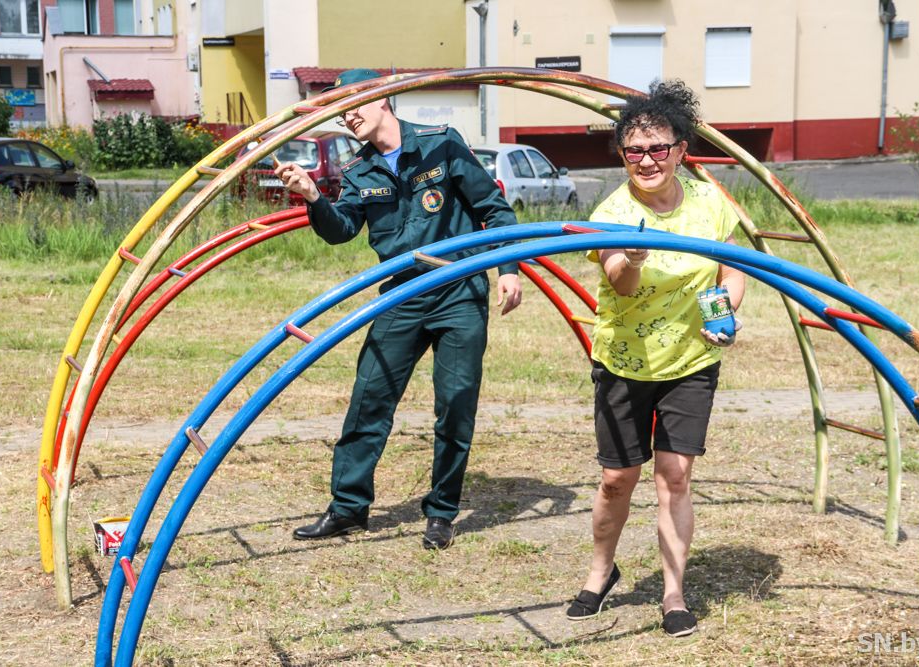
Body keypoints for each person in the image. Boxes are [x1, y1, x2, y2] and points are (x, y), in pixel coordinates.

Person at [274, 68, 522, 550]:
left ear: (383, 98)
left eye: (355, 105)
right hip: (401, 296)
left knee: (455, 405)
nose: (349, 117)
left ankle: (442, 512)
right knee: (369, 399)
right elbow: (342, 229)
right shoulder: (358, 171)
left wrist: (508, 269)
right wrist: (312, 196)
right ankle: (348, 508)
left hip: (457, 292)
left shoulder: (440, 143)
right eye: (341, 112)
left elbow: (494, 210)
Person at [565, 80, 745, 636]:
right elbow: (619, 282)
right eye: (634, 151)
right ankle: (601, 572)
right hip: (625, 361)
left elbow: (732, 269)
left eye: (658, 148)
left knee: (675, 475)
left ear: (681, 150)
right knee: (617, 478)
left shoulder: (710, 202)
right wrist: (634, 257)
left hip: (691, 360)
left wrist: (724, 314)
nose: (646, 160)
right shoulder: (612, 212)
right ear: (622, 155)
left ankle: (673, 593)